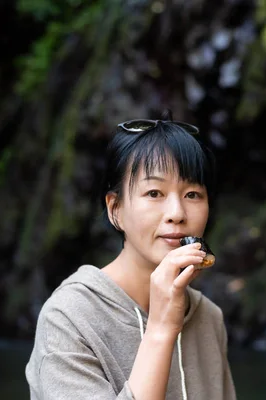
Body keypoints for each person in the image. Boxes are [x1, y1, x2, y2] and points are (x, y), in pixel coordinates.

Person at [25, 110, 237, 400]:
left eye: (192, 195)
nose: (177, 213)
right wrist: (161, 329)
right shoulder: (69, 317)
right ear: (116, 209)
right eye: (154, 193)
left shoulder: (209, 317)